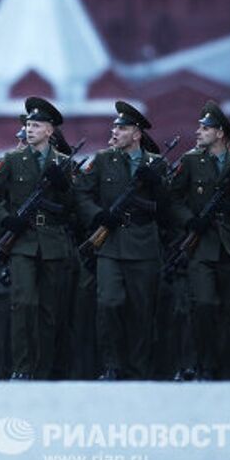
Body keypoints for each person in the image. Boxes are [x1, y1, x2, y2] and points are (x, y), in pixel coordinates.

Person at [0, 97, 75, 380]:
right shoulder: (12, 160)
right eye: (28, 125)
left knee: (49, 310)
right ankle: (22, 368)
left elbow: (75, 205)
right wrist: (6, 220)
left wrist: (64, 186)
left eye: (36, 125)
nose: (30, 129)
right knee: (23, 303)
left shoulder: (64, 164)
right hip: (22, 242)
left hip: (53, 242)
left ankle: (44, 369)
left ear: (50, 131)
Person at [75, 101, 168, 380]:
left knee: (141, 310)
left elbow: (167, 206)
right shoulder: (103, 159)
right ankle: (112, 365)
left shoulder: (156, 164)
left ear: (137, 134)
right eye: (115, 127)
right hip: (110, 243)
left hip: (143, 244)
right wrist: (99, 215)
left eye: (123, 128)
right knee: (109, 302)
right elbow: (82, 194)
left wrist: (155, 184)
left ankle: (138, 368)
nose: (115, 132)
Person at [170, 101, 230, 380]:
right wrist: (189, 220)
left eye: (205, 128)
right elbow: (174, 199)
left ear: (220, 133)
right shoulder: (190, 161)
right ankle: (202, 364)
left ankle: (226, 369)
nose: (198, 132)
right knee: (203, 305)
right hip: (202, 245)